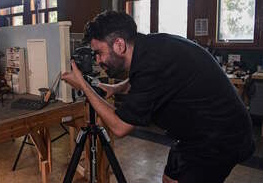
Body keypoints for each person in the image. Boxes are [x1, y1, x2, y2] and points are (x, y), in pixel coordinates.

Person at [61, 11, 255, 183]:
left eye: (99, 53)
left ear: (119, 44)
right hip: (193, 134)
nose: (98, 60)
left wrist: (85, 86)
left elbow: (120, 126)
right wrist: (115, 88)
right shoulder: (148, 46)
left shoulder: (152, 63)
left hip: (220, 138)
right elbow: (146, 79)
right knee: (169, 178)